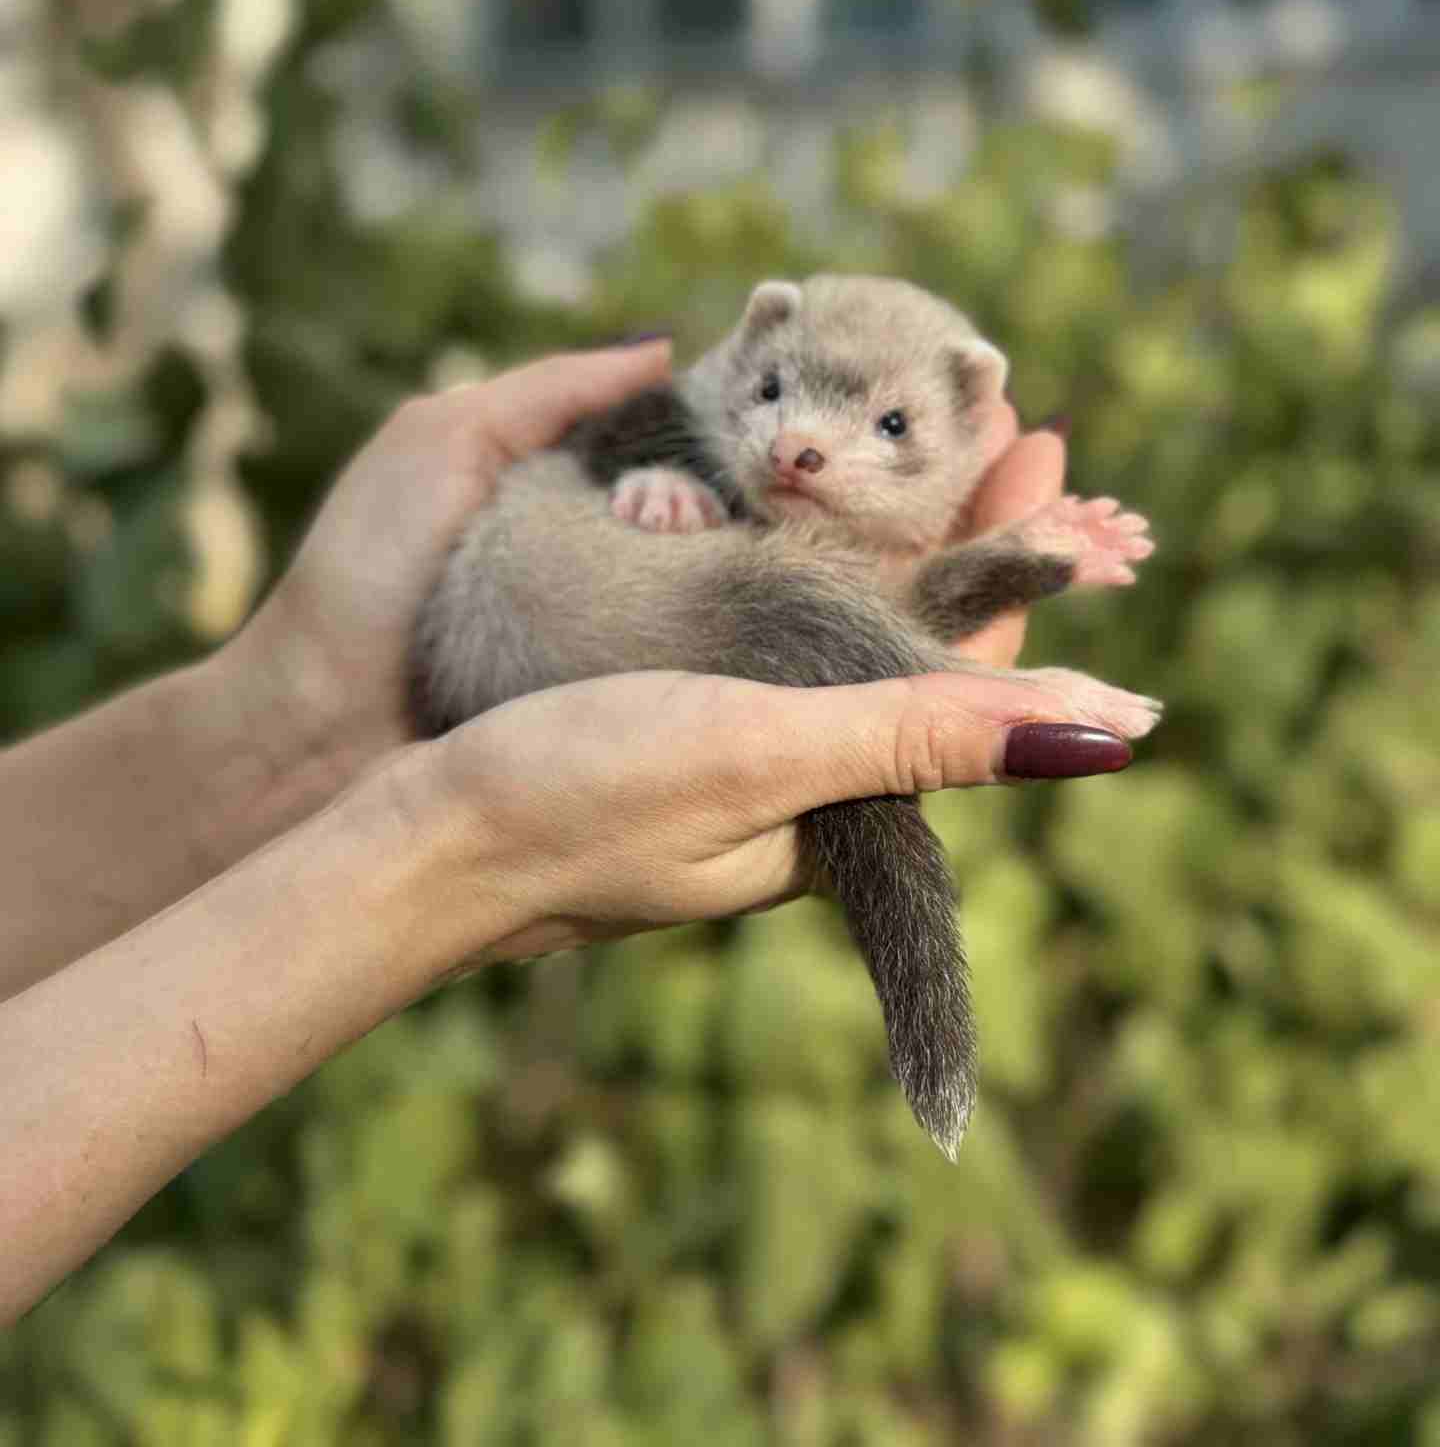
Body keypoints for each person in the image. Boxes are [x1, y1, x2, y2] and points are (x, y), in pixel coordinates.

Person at [0, 336, 1127, 1324]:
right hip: (547, 639)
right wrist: (452, 836)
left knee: (816, 629)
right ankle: (982, 627)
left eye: (884, 423)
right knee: (809, 627)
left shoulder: (711, 501)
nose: (801, 443)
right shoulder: (675, 483)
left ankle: (984, 598)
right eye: (776, 389)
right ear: (746, 353)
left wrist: (288, 724)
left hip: (524, 652)